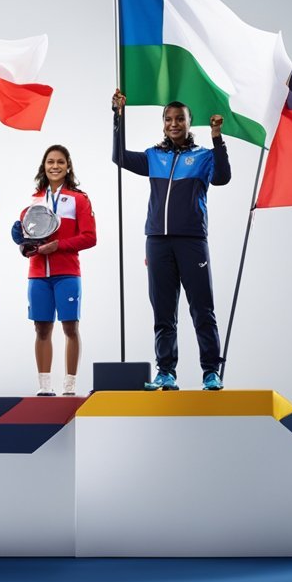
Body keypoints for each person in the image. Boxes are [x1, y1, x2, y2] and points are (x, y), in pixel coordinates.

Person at [111, 91, 231, 391]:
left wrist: (217, 138)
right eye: (168, 119)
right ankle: (166, 372)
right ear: (163, 123)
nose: (173, 123)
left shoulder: (203, 156)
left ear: (190, 123)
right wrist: (118, 115)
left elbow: (223, 178)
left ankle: (211, 372)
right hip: (157, 241)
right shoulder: (154, 156)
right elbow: (120, 157)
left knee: (202, 309)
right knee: (164, 312)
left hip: (192, 241)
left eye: (180, 119)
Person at [11, 145, 97, 396]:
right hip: (38, 274)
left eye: (60, 162)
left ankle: (69, 386)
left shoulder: (79, 199)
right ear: (44, 166)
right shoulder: (33, 201)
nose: (55, 166)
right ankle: (44, 386)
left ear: (68, 166)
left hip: (67, 272)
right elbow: (29, 243)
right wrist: (23, 245)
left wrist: (59, 246)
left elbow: (90, 237)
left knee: (70, 327)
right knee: (42, 328)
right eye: (50, 162)